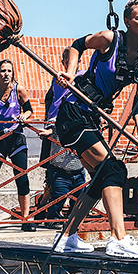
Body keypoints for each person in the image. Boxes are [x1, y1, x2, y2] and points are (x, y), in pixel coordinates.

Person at [53, 0, 138, 259]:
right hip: (73, 112)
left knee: (101, 179)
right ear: (128, 22)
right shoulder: (110, 40)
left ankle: (66, 236)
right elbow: (77, 44)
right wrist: (71, 72)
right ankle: (119, 238)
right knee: (113, 168)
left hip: (92, 119)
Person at [0, 59, 35, 231]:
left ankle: (25, 219)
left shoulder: (19, 90)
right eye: (3, 71)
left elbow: (30, 109)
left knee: (22, 177)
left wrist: (25, 116)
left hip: (16, 137)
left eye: (9, 71)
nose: (6, 74)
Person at [37, 47, 86, 229]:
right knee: (59, 190)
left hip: (78, 128)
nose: (72, 65)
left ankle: (74, 220)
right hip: (61, 128)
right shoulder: (59, 79)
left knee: (80, 193)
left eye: (76, 61)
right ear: (63, 62)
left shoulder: (83, 77)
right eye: (68, 62)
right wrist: (50, 126)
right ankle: (51, 217)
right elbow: (56, 104)